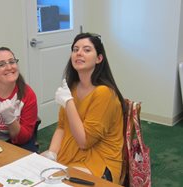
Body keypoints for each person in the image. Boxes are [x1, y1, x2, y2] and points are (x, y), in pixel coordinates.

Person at [42, 33, 126, 184]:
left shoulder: (104, 93)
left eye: (87, 50)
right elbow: (62, 127)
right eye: (75, 49)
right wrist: (52, 153)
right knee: (35, 171)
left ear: (99, 58)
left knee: (54, 182)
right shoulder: (72, 87)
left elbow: (84, 141)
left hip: (99, 162)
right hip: (69, 154)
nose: (79, 53)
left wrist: (68, 102)